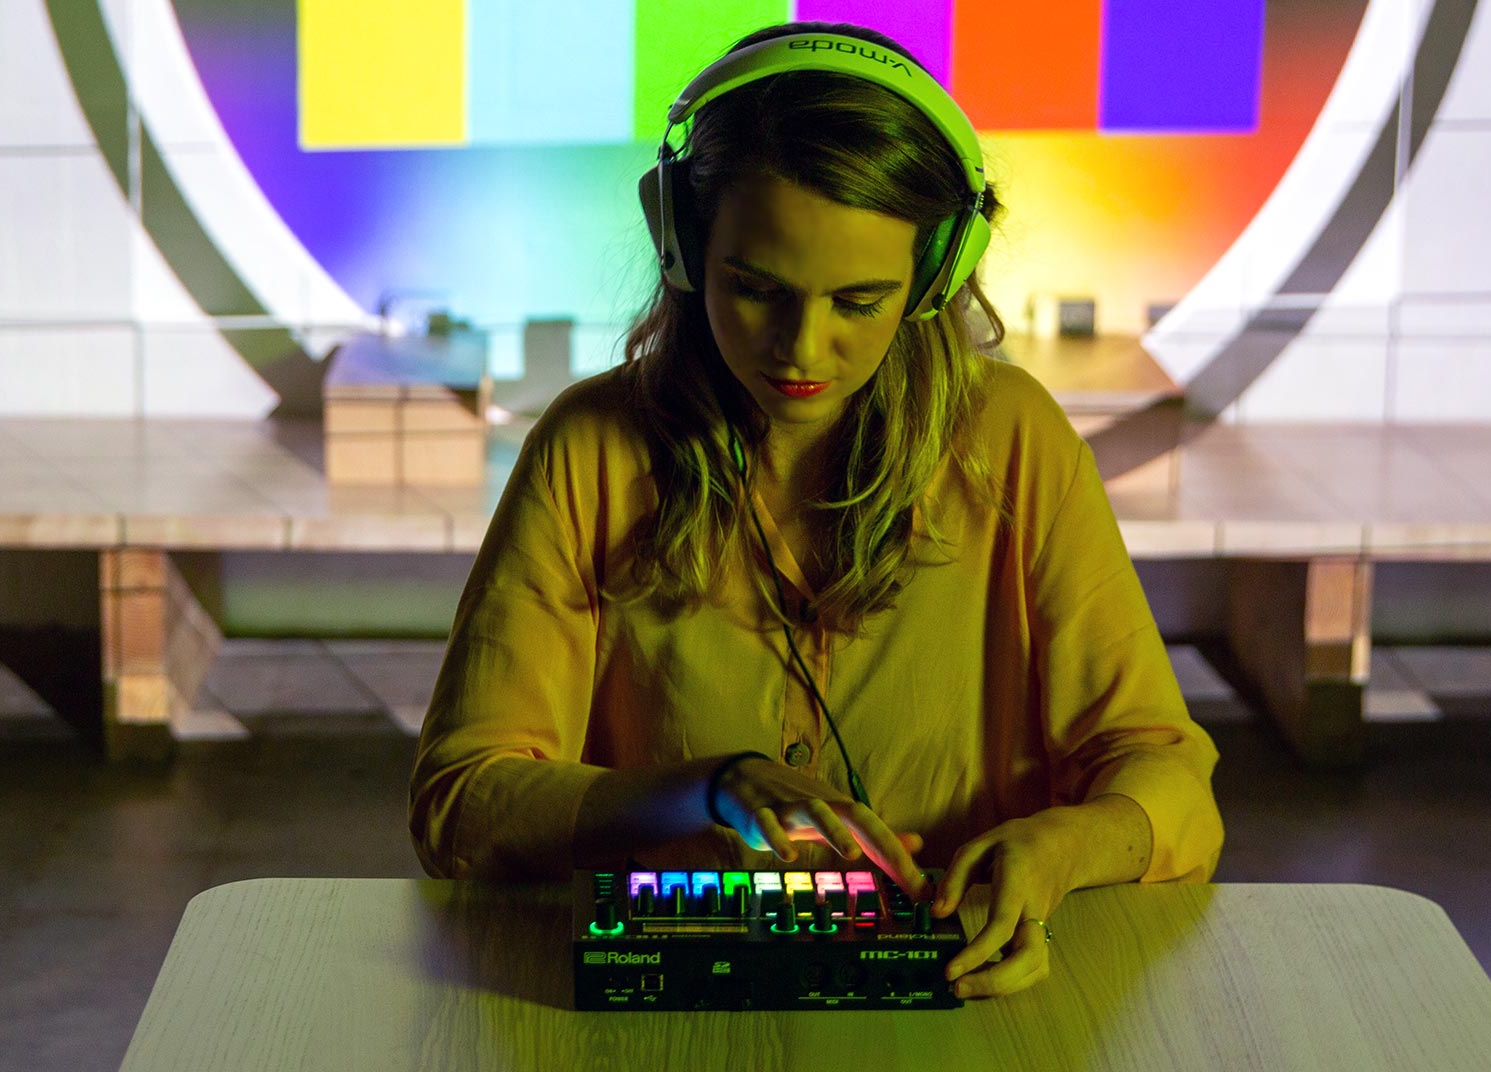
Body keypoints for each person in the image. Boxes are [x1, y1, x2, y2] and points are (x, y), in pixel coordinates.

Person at [410, 21, 1223, 1001]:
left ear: (933, 276)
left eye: (859, 301)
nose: (801, 349)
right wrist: (700, 792)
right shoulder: (590, 448)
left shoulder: (1013, 441)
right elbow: (461, 805)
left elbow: (1166, 779)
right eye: (756, 290)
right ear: (683, 244)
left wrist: (1062, 849)